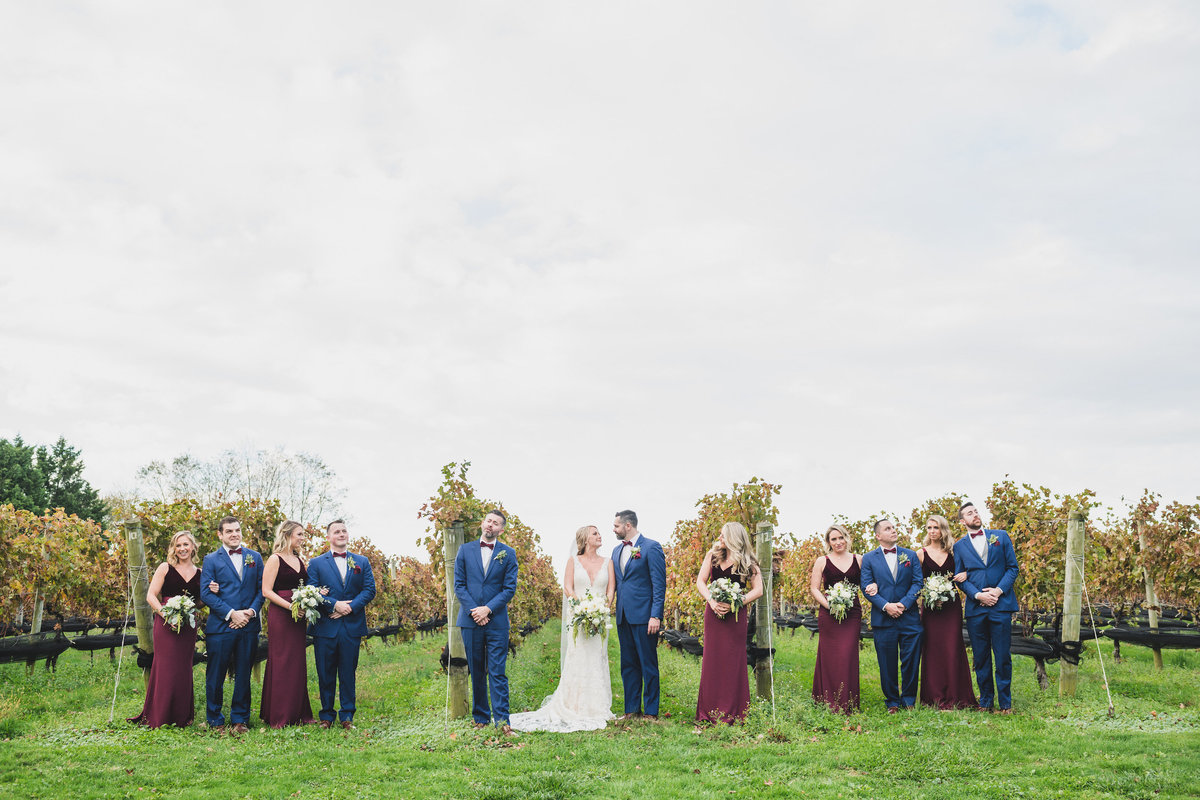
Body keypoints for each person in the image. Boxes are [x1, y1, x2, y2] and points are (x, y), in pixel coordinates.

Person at [510, 525, 615, 732]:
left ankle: (596, 706)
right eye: (595, 533)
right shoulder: (573, 561)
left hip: (599, 618)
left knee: (597, 657)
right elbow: (568, 587)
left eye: (599, 533)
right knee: (578, 656)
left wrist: (603, 609)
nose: (599, 536)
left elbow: (611, 589)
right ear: (585, 539)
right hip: (578, 616)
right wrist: (581, 609)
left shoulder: (608, 562)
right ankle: (573, 704)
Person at [128, 530, 205, 728]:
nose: (182, 549)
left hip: (187, 626)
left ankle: (181, 716)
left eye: (186, 545)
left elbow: (200, 602)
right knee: (166, 668)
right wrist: (166, 614)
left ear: (193, 547)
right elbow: (151, 596)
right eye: (178, 545)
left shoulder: (201, 573)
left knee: (183, 668)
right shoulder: (166, 568)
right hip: (165, 624)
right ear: (173, 548)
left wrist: (212, 592)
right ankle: (160, 715)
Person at [453, 510, 519, 734]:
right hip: (470, 621)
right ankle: (481, 717)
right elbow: (459, 585)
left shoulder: (508, 554)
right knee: (477, 670)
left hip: (497, 621)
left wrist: (488, 609)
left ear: (501, 530)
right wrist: (475, 611)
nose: (491, 525)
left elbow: (509, 589)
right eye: (489, 521)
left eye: (496, 523)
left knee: (498, 672)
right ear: (483, 523)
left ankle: (502, 721)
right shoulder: (465, 550)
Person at [307, 519, 377, 729]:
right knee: (325, 673)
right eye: (336, 531)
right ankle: (326, 716)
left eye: (344, 531)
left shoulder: (361, 562)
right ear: (328, 537)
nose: (341, 534)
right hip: (325, 627)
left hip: (351, 626)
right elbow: (311, 591)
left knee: (348, 672)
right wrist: (334, 605)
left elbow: (369, 590)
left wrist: (350, 607)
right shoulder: (316, 563)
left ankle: (347, 717)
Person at [953, 501, 1019, 713]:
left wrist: (998, 591)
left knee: (1002, 656)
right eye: (969, 514)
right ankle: (986, 701)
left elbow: (1012, 568)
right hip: (976, 608)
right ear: (963, 521)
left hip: (1001, 604)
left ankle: (1006, 703)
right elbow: (960, 578)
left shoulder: (1000, 536)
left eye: (976, 511)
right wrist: (978, 594)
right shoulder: (959, 546)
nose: (975, 515)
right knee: (980, 656)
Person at [200, 516, 264, 733]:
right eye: (229, 531)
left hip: (248, 624)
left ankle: (240, 719)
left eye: (237, 530)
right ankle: (215, 719)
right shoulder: (211, 559)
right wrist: (231, 614)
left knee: (244, 673)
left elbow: (261, 590)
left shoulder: (254, 557)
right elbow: (206, 593)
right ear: (220, 534)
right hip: (220, 626)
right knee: (215, 675)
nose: (234, 534)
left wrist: (250, 612)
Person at [694, 522, 764, 724]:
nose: (720, 539)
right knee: (712, 660)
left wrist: (737, 601)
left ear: (734, 537)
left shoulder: (749, 561)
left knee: (734, 660)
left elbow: (758, 590)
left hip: (735, 617)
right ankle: (709, 711)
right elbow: (701, 581)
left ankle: (735, 711)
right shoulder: (713, 555)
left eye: (723, 536)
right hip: (713, 614)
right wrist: (712, 601)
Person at [861, 518, 923, 712]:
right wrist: (886, 606)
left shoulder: (910, 555)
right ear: (878, 536)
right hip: (883, 619)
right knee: (886, 663)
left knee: (911, 661)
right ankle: (892, 702)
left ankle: (909, 700)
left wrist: (903, 604)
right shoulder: (869, 558)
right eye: (888, 529)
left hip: (909, 617)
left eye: (894, 527)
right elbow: (866, 587)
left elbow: (917, 583)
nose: (893, 531)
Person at [259, 520, 316, 728]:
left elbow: (304, 586)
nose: (302, 538)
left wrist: (313, 597)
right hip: (282, 617)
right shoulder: (275, 559)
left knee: (296, 661)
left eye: (303, 535)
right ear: (287, 534)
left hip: (298, 618)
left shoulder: (299, 559)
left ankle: (299, 713)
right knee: (281, 661)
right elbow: (266, 591)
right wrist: (290, 607)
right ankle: (280, 714)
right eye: (299, 534)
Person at [611, 509, 666, 721]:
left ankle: (651, 711)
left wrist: (656, 615)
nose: (613, 529)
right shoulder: (616, 551)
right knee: (628, 664)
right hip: (623, 616)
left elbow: (659, 585)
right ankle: (631, 709)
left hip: (645, 616)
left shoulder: (651, 547)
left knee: (648, 664)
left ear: (628, 525)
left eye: (616, 525)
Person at [917, 515, 977, 709]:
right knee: (933, 650)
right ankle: (933, 697)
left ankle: (956, 695)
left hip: (951, 608)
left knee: (952, 648)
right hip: (932, 608)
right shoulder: (921, 553)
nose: (933, 531)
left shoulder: (954, 552)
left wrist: (966, 574)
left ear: (944, 529)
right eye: (929, 528)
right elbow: (916, 583)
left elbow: (969, 570)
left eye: (936, 527)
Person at [809, 524, 862, 713]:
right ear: (828, 543)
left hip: (852, 614)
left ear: (847, 538)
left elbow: (867, 584)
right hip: (829, 614)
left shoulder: (859, 559)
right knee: (830, 656)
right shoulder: (822, 561)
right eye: (834, 539)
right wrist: (828, 605)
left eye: (841, 538)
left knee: (847, 655)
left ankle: (847, 701)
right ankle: (828, 700)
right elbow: (814, 588)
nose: (838, 542)